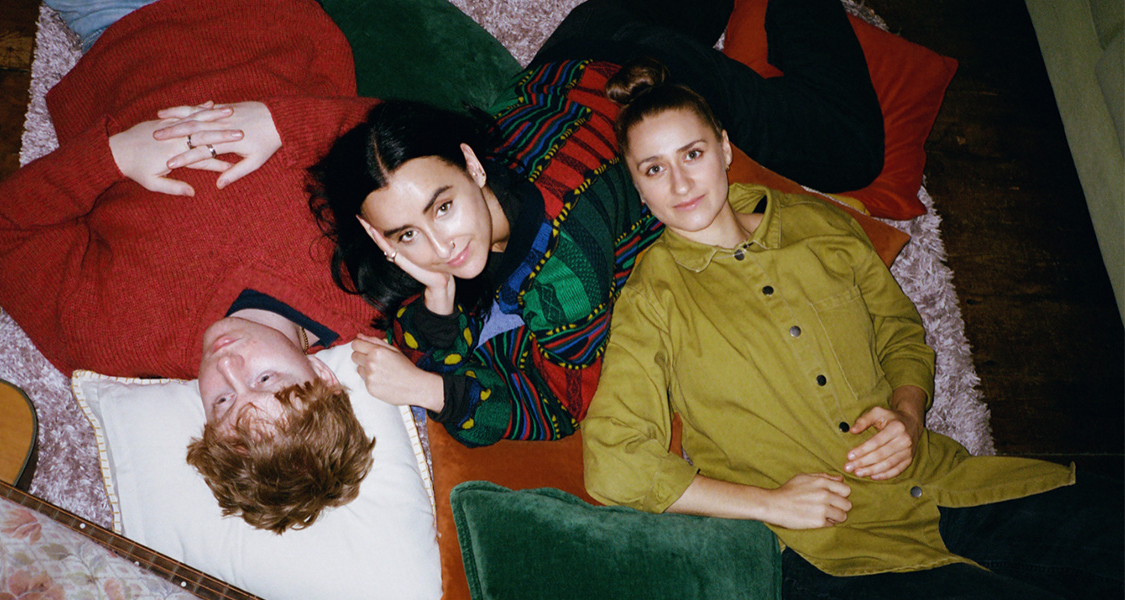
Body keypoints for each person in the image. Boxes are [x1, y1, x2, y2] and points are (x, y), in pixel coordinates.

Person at [580, 60, 1124, 598]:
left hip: (951, 487)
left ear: (724, 150)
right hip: (838, 552)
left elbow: (900, 331)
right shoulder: (651, 299)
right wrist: (768, 504)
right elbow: (615, 462)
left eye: (692, 154)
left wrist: (908, 417)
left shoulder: (819, 225)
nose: (679, 183)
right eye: (653, 169)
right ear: (638, 188)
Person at [310, 0, 883, 447]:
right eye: (407, 234)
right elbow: (426, 332)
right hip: (584, 38)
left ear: (473, 166)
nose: (442, 246)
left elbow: (556, 408)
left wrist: (431, 388)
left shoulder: (565, 271)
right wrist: (437, 302)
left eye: (443, 206)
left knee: (853, 152)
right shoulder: (446, 230)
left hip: (664, 82)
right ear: (379, 238)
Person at [0, 0, 381, 532]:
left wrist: (112, 155)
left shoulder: (115, 339)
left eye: (223, 401)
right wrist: (281, 121)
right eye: (266, 378)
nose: (226, 365)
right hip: (270, 18)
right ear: (323, 376)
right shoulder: (366, 284)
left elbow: (0, 229)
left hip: (121, 28)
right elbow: (409, 140)